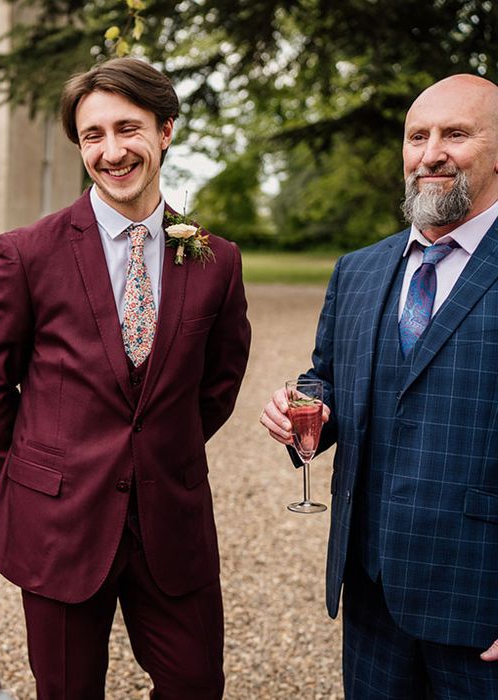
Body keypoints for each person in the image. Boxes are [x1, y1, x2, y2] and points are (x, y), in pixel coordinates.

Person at [0, 57, 251, 699]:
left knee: (197, 684)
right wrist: (42, 477)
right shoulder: (26, 252)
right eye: (94, 135)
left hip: (172, 519)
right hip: (59, 523)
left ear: (166, 130)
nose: (112, 151)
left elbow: (221, 380)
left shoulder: (215, 259)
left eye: (129, 129)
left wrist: (161, 453)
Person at [261, 73, 498, 698]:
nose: (430, 153)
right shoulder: (359, 270)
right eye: (416, 136)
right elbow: (326, 379)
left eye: (456, 134)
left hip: (480, 603)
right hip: (372, 594)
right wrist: (303, 412)